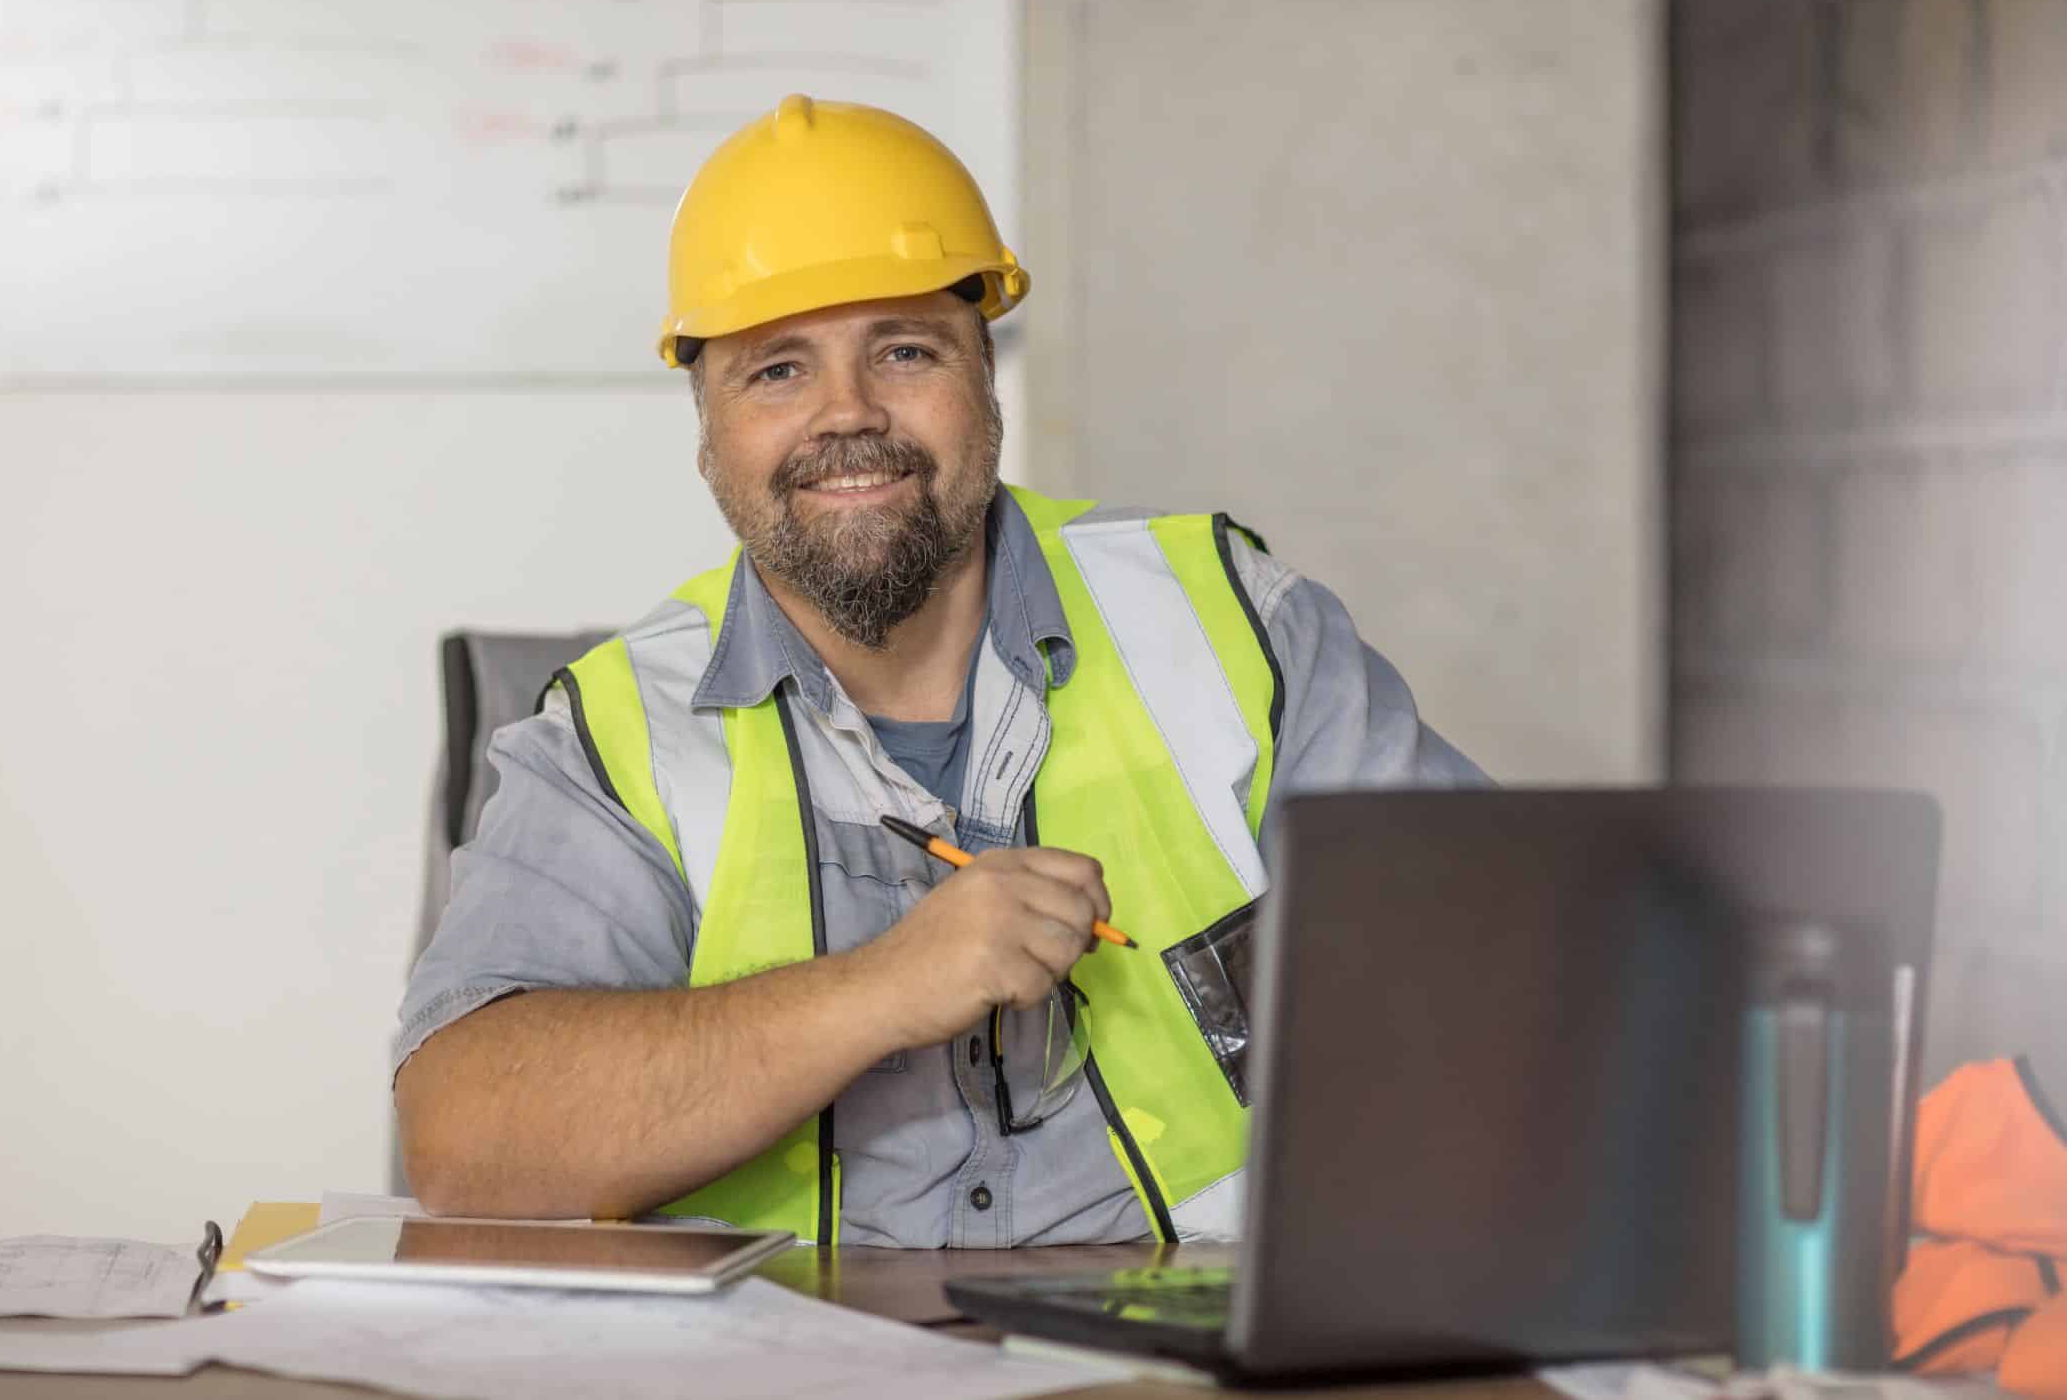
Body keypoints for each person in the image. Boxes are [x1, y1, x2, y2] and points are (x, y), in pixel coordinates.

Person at [394, 94, 1483, 1248]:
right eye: (776, 371)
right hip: (786, 1362)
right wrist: (880, 988)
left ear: (982, 376)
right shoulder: (616, 736)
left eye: (905, 350)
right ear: (706, 426)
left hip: (1193, 1345)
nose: (849, 414)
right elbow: (467, 1136)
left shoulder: (1237, 628)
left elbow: (1512, 975)